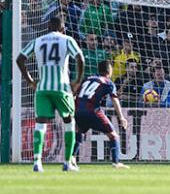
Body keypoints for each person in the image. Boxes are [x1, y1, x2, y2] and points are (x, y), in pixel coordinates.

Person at [16, 16, 84, 172]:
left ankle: (37, 162)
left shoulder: (38, 40)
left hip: (42, 88)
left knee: (40, 124)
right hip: (62, 88)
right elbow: (80, 58)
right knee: (69, 122)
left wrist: (30, 80)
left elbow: (20, 59)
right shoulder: (67, 39)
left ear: (48, 27)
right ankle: (67, 162)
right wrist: (77, 81)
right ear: (62, 28)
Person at [72, 60, 129, 169]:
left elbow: (74, 93)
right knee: (113, 136)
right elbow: (115, 100)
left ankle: (71, 158)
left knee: (79, 132)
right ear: (110, 71)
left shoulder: (87, 79)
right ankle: (116, 162)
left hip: (78, 110)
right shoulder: (108, 82)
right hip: (92, 110)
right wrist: (121, 117)